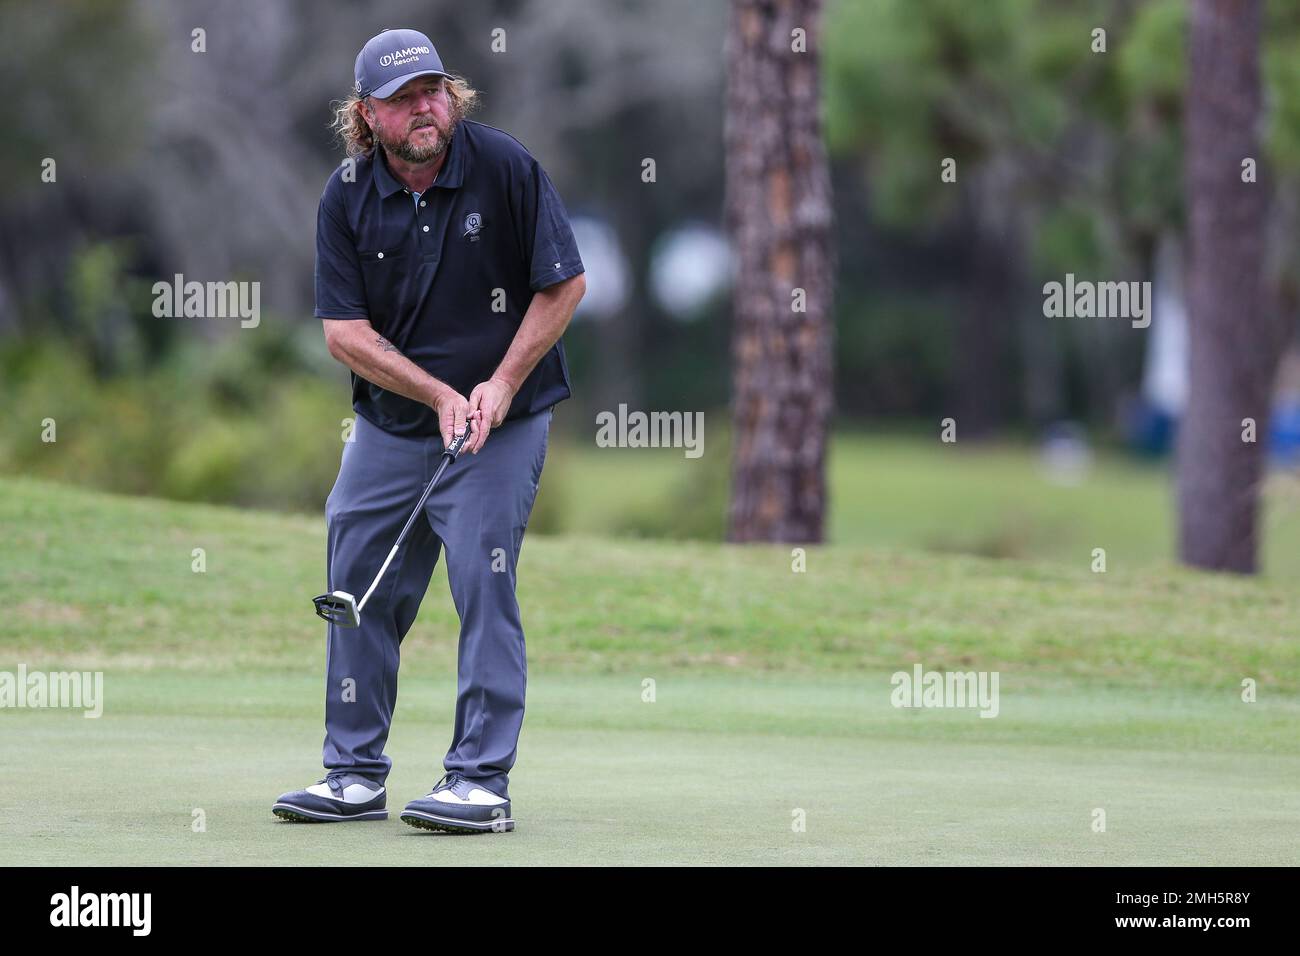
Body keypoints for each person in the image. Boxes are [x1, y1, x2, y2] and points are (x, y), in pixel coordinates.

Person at [272, 27, 586, 833]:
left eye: (434, 91)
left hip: (499, 421)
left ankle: (479, 781)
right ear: (367, 115)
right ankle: (353, 774)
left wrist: (499, 384)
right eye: (404, 98)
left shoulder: (504, 166)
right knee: (358, 583)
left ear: (453, 96)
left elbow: (564, 285)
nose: (425, 108)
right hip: (392, 424)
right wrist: (435, 394)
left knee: (483, 582)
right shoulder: (346, 193)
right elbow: (343, 333)